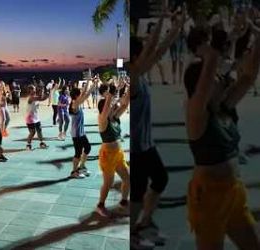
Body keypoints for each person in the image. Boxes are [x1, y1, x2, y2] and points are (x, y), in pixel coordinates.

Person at [184, 19, 260, 249]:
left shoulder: (224, 105)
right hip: (208, 199)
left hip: (233, 192)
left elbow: (248, 77)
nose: (223, 80)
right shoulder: (197, 117)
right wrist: (208, 51)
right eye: (216, 79)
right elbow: (208, 76)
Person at [130, 3, 186, 248]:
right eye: (141, 53)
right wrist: (163, 20)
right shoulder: (131, 78)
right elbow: (154, 46)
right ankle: (133, 231)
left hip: (146, 145)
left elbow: (159, 48)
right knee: (138, 192)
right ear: (134, 57)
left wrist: (175, 29)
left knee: (160, 180)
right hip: (137, 148)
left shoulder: (139, 74)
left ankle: (144, 221)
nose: (147, 55)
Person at [96, 82, 130, 218]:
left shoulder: (115, 118)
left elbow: (125, 104)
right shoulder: (102, 121)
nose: (112, 107)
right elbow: (106, 109)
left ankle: (123, 202)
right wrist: (110, 93)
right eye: (109, 107)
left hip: (118, 154)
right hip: (107, 155)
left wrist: (128, 89)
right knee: (108, 183)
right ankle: (100, 205)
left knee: (127, 178)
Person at [69, 80, 96, 179]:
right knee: (78, 153)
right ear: (76, 96)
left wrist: (89, 81)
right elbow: (86, 94)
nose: (81, 94)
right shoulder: (74, 104)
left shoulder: (77, 102)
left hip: (81, 132)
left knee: (87, 148)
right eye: (79, 94)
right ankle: (74, 172)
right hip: (76, 134)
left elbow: (84, 93)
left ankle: (81, 166)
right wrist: (92, 87)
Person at [25, 85, 49, 150]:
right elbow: (41, 98)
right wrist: (43, 91)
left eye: (35, 89)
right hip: (30, 118)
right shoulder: (31, 98)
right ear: (29, 91)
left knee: (39, 130)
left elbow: (43, 98)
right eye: (33, 89)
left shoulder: (35, 97)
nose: (34, 90)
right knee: (33, 132)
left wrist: (47, 93)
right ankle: (28, 145)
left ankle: (42, 143)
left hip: (36, 117)